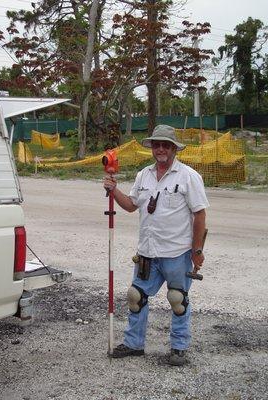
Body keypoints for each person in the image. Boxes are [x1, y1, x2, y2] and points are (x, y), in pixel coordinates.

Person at [103, 124, 209, 366]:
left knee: (177, 300)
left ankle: (179, 347)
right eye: (157, 144)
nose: (160, 149)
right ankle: (133, 344)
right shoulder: (143, 175)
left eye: (166, 145)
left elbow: (200, 215)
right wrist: (113, 190)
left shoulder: (188, 177)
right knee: (135, 296)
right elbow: (131, 205)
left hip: (176, 253)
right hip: (147, 252)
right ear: (152, 147)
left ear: (174, 148)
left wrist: (197, 250)